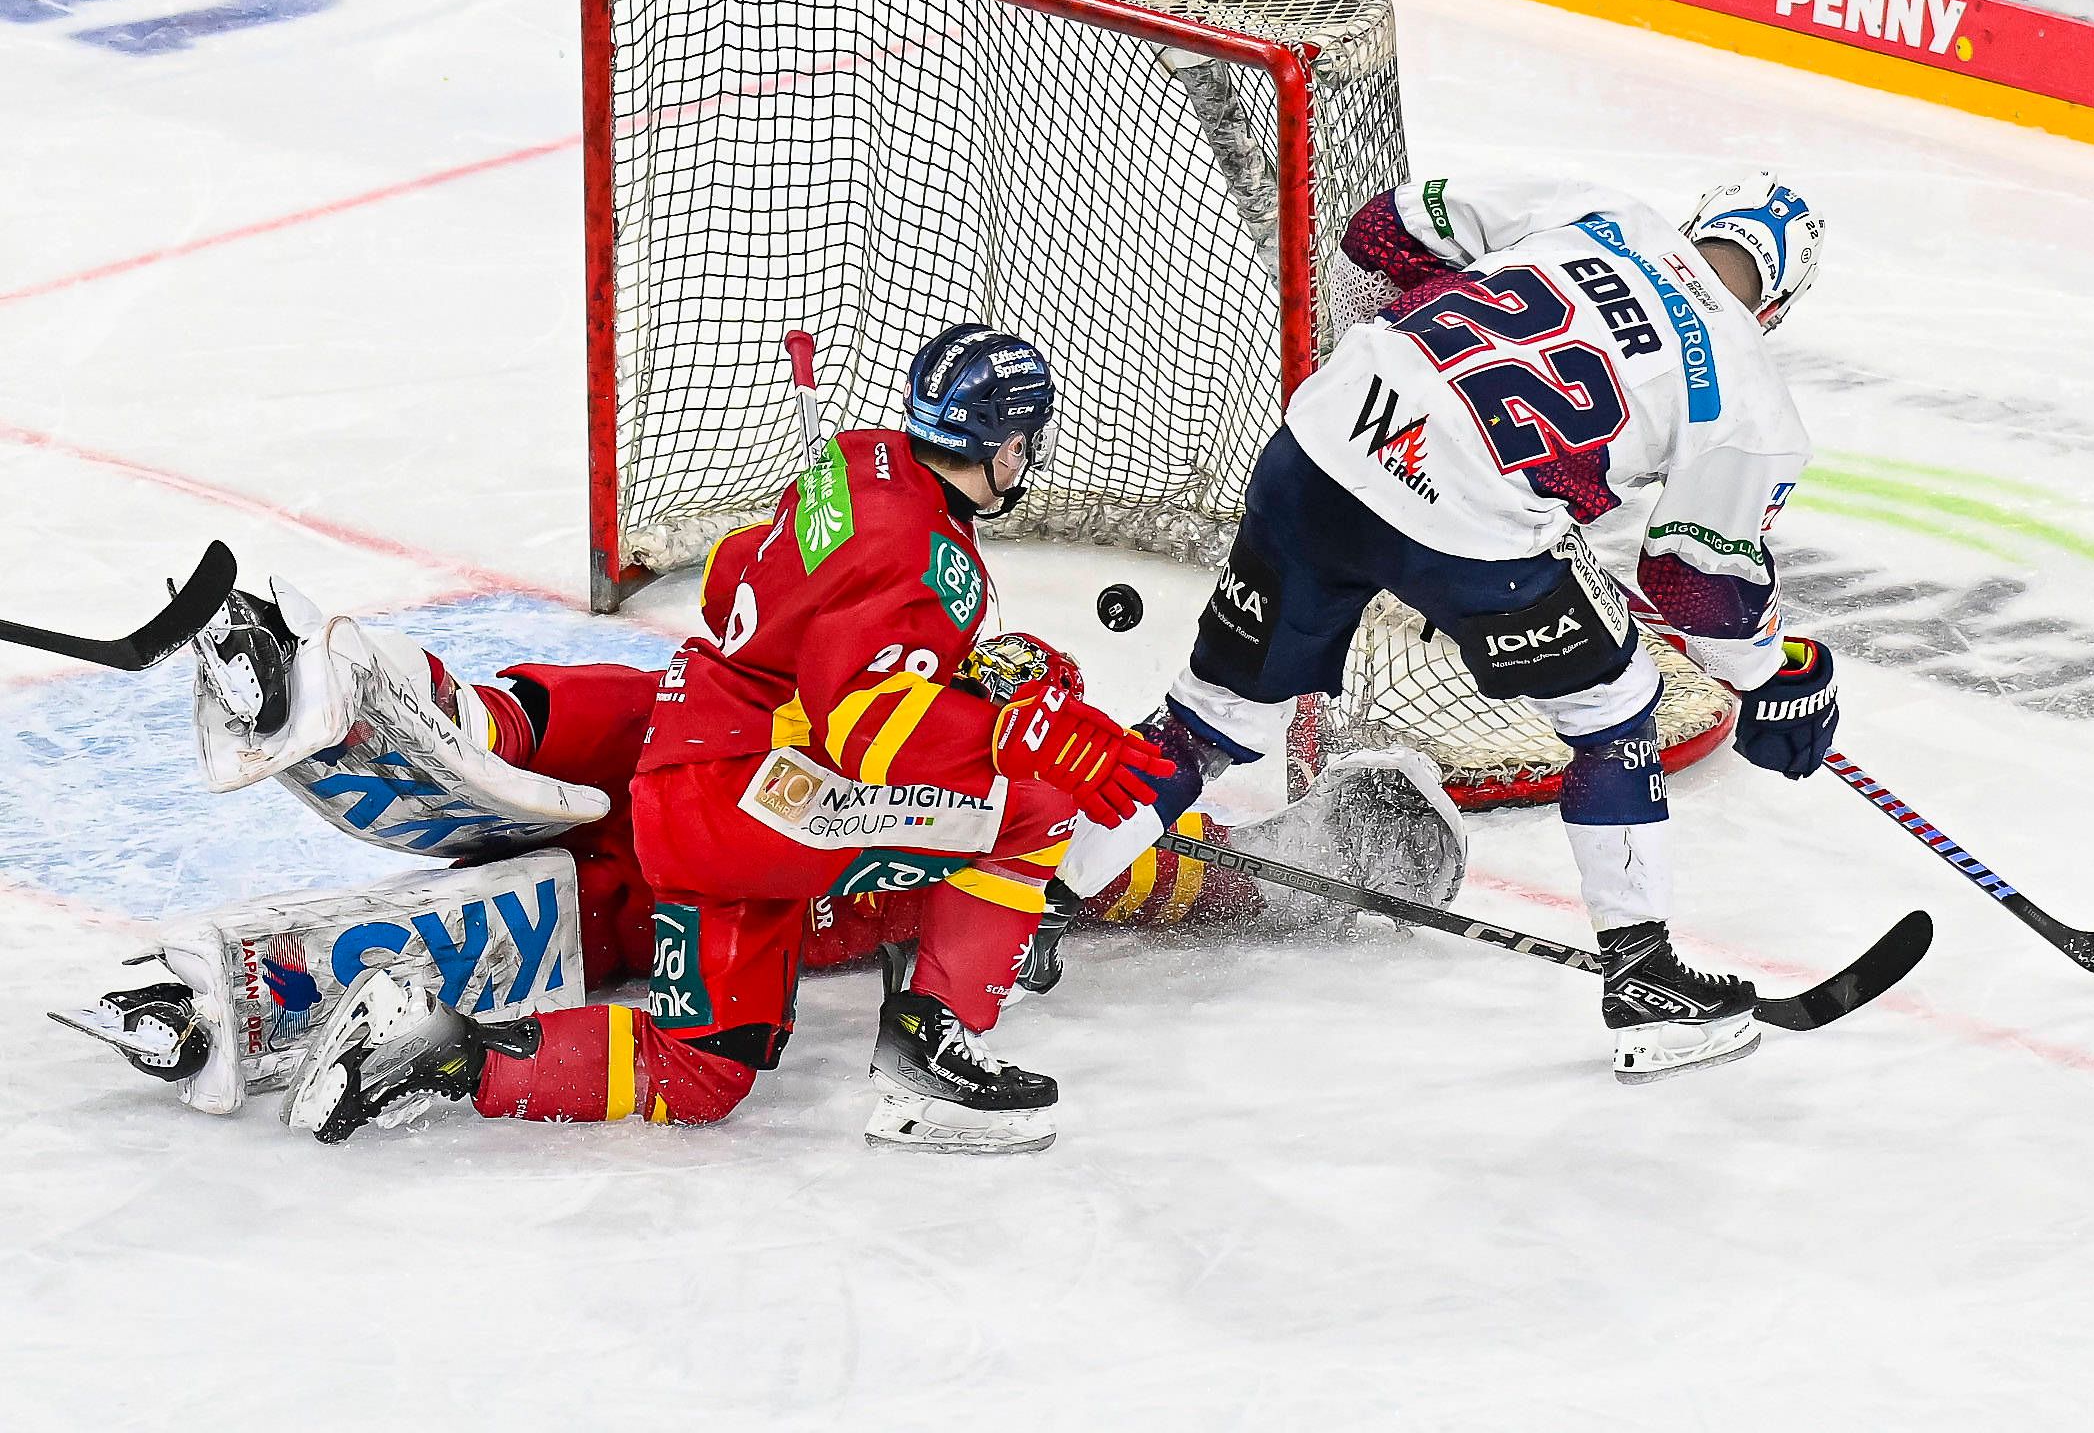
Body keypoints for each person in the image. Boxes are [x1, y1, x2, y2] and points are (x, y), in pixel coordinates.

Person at [278, 324, 1173, 1152]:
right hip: (749, 807)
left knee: (699, 1071)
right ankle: (930, 1065)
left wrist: (916, 663)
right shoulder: (936, 563)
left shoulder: (857, 459)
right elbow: (865, 728)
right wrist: (1013, 728)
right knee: (1038, 803)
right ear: (1008, 444)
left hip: (684, 747)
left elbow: (731, 578)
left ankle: (436, 1046)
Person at [1055, 171, 1842, 1082]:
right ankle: (1646, 986)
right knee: (1616, 709)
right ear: (1776, 304)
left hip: (1322, 442)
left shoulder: (1604, 211)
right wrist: (1774, 674)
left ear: (1697, 218)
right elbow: (1693, 582)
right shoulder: (1751, 393)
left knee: (1218, 711)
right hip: (1472, 529)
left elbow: (1381, 229)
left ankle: (1032, 897)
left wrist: (1421, 386)